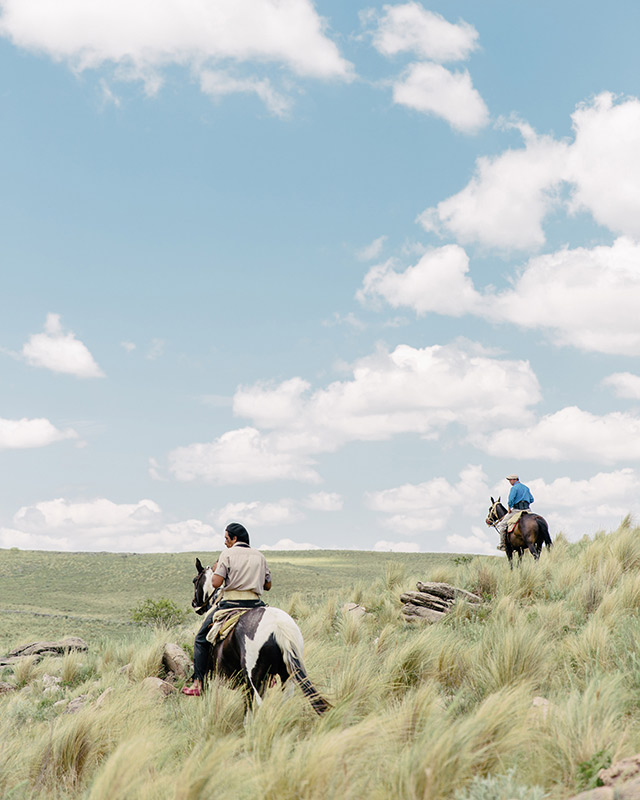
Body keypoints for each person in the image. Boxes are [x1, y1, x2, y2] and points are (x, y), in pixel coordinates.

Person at [182, 522, 272, 696]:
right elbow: (268, 585)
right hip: (256, 605)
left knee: (201, 638)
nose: (225, 542)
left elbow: (215, 583)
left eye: (226, 538)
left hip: (232, 604)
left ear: (234, 538)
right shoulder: (260, 556)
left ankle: (198, 683)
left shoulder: (227, 554)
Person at [495, 474, 534, 551]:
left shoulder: (514, 488)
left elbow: (510, 501)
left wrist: (509, 507)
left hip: (517, 510)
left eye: (510, 480)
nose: (510, 482)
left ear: (515, 479)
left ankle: (503, 544)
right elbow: (532, 499)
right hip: (527, 510)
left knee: (502, 525)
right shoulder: (526, 488)